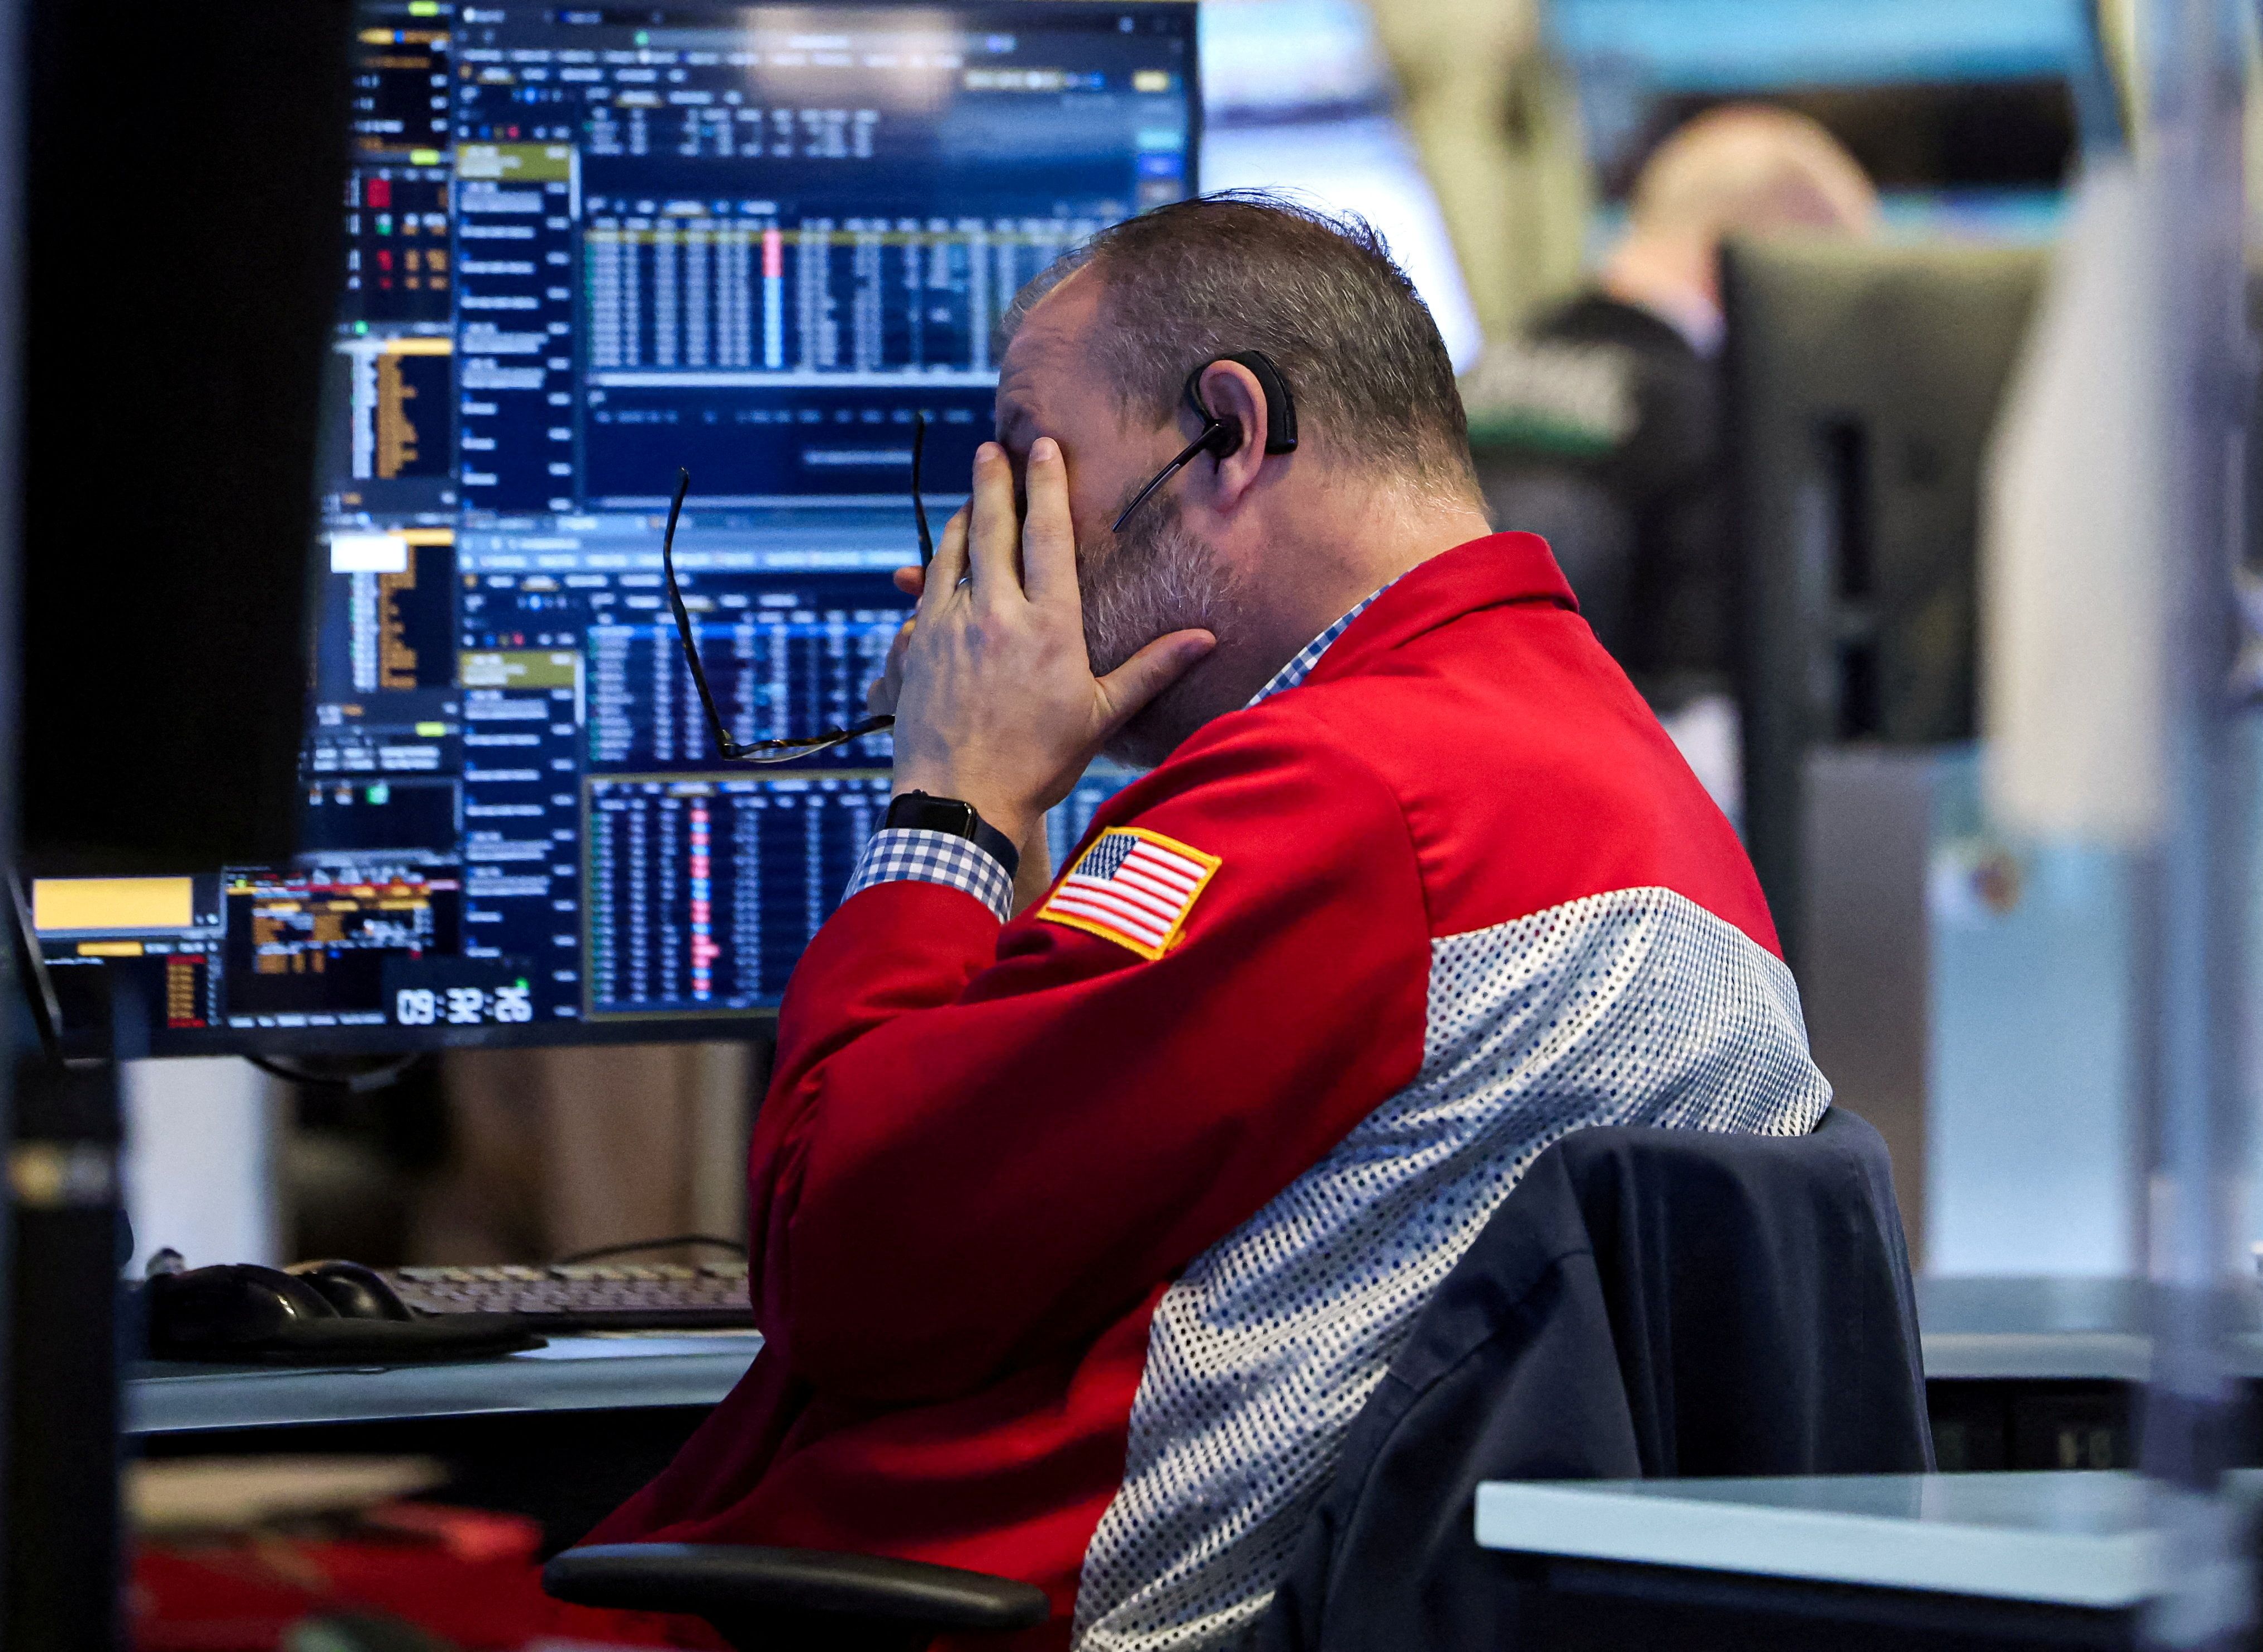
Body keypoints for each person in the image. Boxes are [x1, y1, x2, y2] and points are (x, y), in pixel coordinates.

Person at [555, 194, 1830, 1652]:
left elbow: (841, 1259)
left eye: (1030, 467)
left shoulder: (1342, 794)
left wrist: (954, 807)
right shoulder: (1583, 759)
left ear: (1226, 433)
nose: (967, 567)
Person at [1462, 106, 1876, 810]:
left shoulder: (1472, 377)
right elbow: (1711, 726)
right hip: (1605, 831)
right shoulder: (1719, 418)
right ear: (1763, 254)